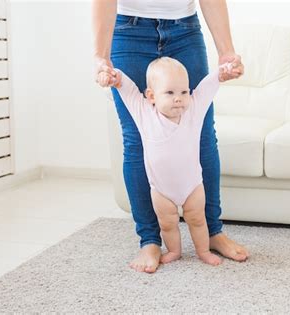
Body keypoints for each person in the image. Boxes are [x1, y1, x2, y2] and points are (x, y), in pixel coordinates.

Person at [92, 0, 250, 273]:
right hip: (128, 31)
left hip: (185, 29)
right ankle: (150, 241)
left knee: (201, 134)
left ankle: (213, 231)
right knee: (136, 139)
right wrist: (101, 56)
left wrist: (226, 52)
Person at [99, 57, 234, 266]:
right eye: (170, 93)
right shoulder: (144, 113)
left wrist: (220, 74)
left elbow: (206, 89)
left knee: (197, 220)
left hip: (192, 187)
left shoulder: (193, 112)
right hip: (161, 190)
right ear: (152, 96)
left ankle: (203, 250)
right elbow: (129, 91)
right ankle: (174, 251)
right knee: (168, 224)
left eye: (183, 92)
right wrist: (117, 78)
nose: (178, 99)